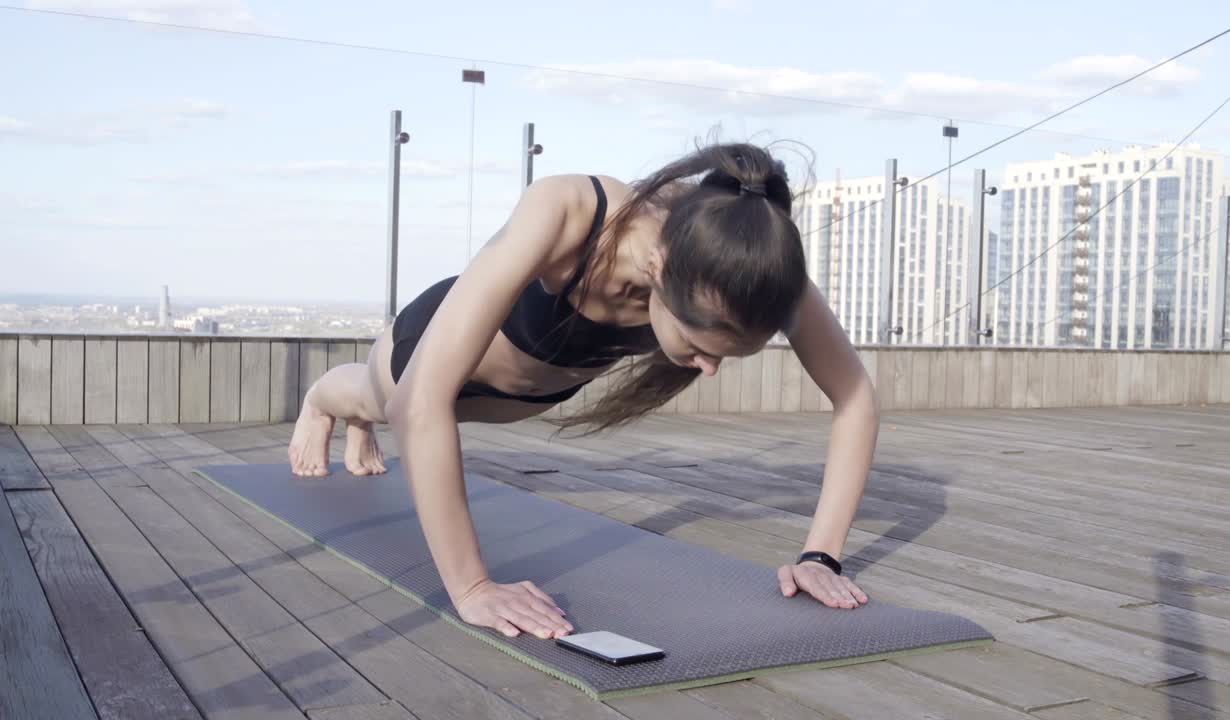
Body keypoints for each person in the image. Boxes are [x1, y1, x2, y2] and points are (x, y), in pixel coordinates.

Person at [287, 141, 881, 643]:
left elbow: (854, 396)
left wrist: (819, 556)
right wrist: (473, 588)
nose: (707, 370)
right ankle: (321, 401)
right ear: (658, 264)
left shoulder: (753, 272)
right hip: (423, 360)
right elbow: (418, 402)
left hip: (524, 398)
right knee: (373, 398)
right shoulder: (573, 210)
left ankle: (352, 414)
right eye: (700, 348)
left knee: (406, 416)